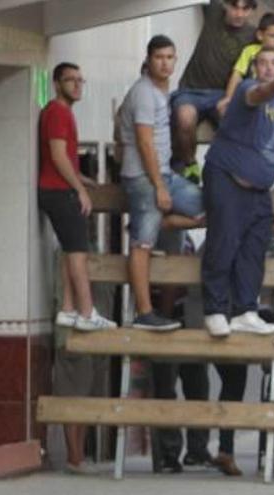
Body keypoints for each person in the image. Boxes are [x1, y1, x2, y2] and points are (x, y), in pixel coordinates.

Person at [200, 47, 274, 475]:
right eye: (265, 64)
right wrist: (273, 83)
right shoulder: (252, 90)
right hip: (228, 178)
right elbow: (255, 95)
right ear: (255, 70)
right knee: (223, 244)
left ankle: (245, 309)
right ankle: (216, 308)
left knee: (253, 251)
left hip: (257, 191)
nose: (270, 71)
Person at [39, 61, 117, 476]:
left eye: (81, 79)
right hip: (55, 192)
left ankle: (75, 308)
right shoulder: (57, 111)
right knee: (77, 251)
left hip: (58, 187)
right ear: (57, 83)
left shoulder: (65, 114)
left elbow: (64, 158)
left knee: (76, 250)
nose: (78, 85)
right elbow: (55, 155)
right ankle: (84, 311)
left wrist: (83, 180)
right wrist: (76, 188)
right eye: (71, 79)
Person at [119, 35, 205, 330]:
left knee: (209, 207)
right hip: (145, 178)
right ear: (149, 59)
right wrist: (159, 186)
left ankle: (161, 223)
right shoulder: (144, 92)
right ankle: (144, 313)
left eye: (170, 57)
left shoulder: (161, 92)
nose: (165, 63)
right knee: (142, 244)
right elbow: (144, 142)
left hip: (164, 174)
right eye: (159, 57)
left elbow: (119, 127)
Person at [171, 0, 257, 180]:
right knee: (185, 117)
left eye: (245, 9)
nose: (239, 13)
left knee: (235, 125)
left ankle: (223, 174)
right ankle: (190, 165)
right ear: (225, 5)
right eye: (234, 7)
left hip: (223, 96)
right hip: (191, 90)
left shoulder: (253, 35)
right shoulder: (214, 12)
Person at [219, 12, 274, 116]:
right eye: (272, 36)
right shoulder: (250, 52)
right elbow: (237, 74)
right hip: (251, 100)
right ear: (260, 35)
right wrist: (228, 98)